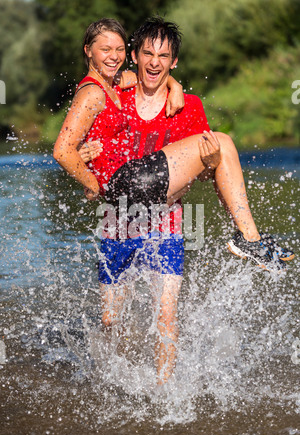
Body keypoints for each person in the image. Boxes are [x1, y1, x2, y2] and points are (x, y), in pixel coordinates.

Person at [53, 17, 294, 384]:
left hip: (165, 222)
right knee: (110, 320)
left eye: (164, 57)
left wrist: (211, 164)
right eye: (146, 53)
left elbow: (197, 174)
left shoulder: (187, 106)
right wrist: (92, 176)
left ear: (174, 62)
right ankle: (106, 383)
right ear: (135, 57)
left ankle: (164, 392)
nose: (154, 62)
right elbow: (76, 157)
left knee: (167, 315)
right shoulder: (113, 93)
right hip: (117, 219)